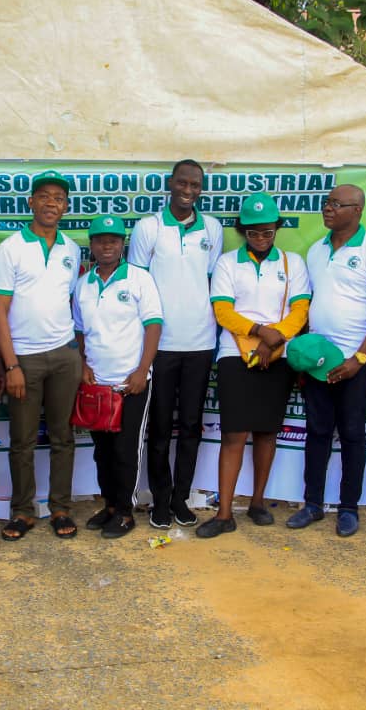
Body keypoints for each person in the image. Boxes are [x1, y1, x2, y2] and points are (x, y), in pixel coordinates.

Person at [196, 193, 310, 538]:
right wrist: (260, 332)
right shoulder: (228, 263)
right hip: (234, 354)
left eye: (267, 232)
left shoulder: (293, 263)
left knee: (266, 431)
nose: (261, 238)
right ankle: (224, 514)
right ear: (242, 231)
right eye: (253, 232)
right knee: (233, 433)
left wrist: (274, 340)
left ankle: (258, 503)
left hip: (278, 355)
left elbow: (300, 310)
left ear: (276, 229)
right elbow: (223, 311)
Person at [289, 184, 366, 537]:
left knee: (351, 434)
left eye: (336, 204)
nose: (328, 209)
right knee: (317, 432)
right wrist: (303, 356)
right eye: (327, 203)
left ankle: (349, 508)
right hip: (318, 361)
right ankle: (312, 504)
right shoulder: (317, 250)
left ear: (357, 210)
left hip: (354, 362)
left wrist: (359, 358)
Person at [128, 159, 223, 528]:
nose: (188, 190)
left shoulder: (212, 228)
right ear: (170, 183)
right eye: (182, 183)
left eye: (195, 185)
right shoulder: (148, 227)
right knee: (160, 428)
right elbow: (137, 285)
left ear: (201, 189)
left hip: (200, 342)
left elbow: (212, 280)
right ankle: (160, 501)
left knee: (192, 425)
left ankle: (181, 498)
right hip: (161, 344)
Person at [0, 170, 83, 540]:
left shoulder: (71, 249)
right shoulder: (11, 248)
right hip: (24, 358)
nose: (51, 203)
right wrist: (10, 364)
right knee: (22, 441)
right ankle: (23, 511)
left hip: (64, 355)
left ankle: (60, 507)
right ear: (31, 202)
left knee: (63, 437)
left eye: (58, 198)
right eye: (44, 196)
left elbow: (69, 302)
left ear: (65, 206)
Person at [74, 215, 163, 539]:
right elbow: (79, 330)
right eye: (100, 240)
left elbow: (154, 326)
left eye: (113, 240)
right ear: (92, 245)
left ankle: (125, 513)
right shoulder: (83, 284)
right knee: (103, 452)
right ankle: (110, 506)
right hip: (97, 382)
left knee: (126, 451)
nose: (106, 245)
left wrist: (142, 371)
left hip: (130, 383)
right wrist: (83, 364)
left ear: (122, 244)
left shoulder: (139, 279)